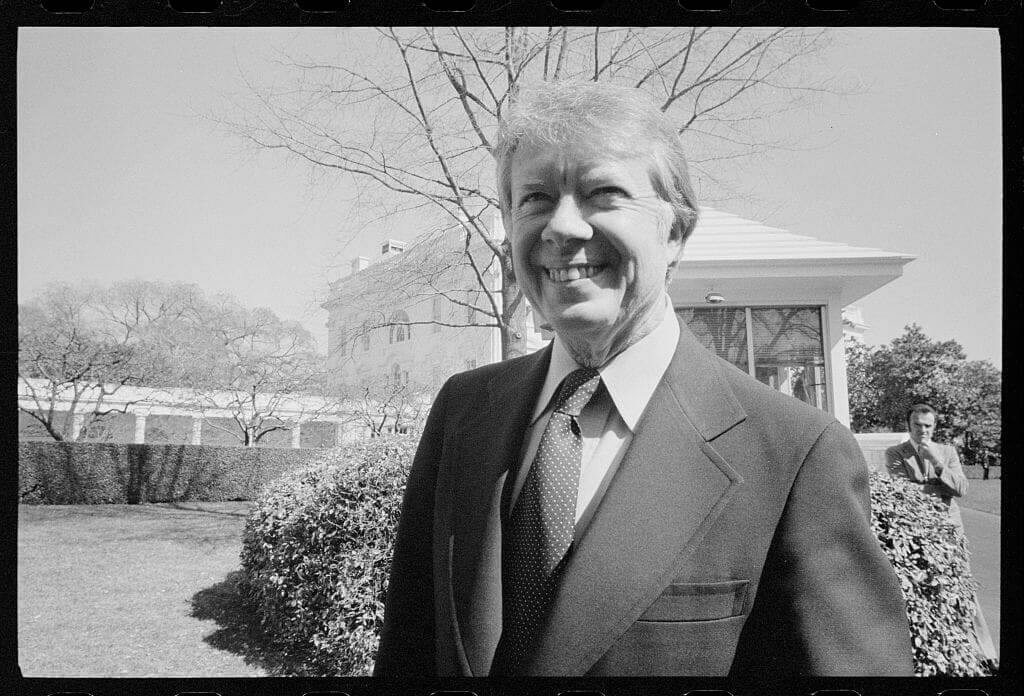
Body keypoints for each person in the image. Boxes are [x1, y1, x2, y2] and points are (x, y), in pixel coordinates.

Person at [374, 82, 913, 678]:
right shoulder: (464, 409)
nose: (562, 227)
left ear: (675, 230)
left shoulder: (794, 454)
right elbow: (411, 648)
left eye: (603, 193)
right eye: (534, 199)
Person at [885, 404, 997, 667]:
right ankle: (933, 654)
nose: (922, 430)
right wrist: (940, 488)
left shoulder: (947, 452)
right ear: (908, 426)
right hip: (915, 531)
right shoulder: (896, 453)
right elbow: (902, 492)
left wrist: (936, 462)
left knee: (963, 589)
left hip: (950, 531)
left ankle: (986, 653)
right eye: (917, 425)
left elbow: (961, 489)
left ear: (934, 427)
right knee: (922, 588)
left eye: (928, 425)